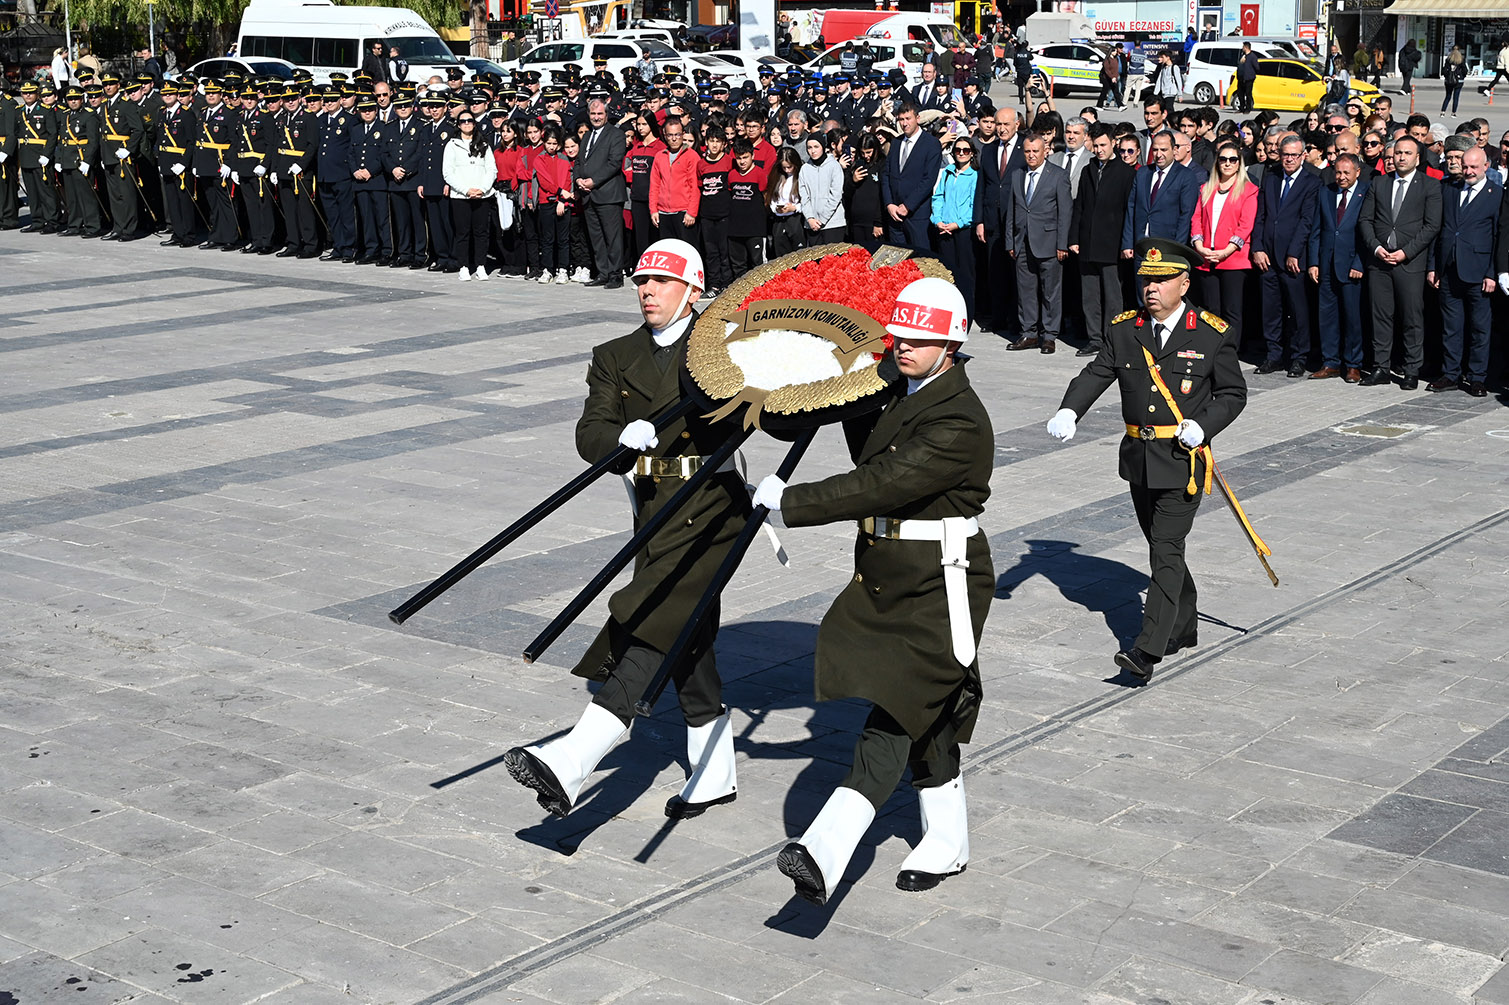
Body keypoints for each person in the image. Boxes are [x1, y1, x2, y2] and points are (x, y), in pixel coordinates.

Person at [753, 277, 994, 906]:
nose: (905, 347)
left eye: (920, 339)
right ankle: (947, 840)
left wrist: (793, 502)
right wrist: (798, 380)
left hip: (940, 581)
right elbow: (822, 419)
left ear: (952, 343)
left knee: (894, 707)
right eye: (900, 336)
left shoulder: (960, 419)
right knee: (924, 707)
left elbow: (882, 482)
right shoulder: (897, 386)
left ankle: (826, 848)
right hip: (888, 572)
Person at [505, 239, 751, 822]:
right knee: (683, 633)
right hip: (652, 509)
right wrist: (618, 441)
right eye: (642, 280)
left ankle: (576, 755)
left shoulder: (722, 350)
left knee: (648, 616)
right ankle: (714, 771)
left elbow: (775, 414)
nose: (647, 291)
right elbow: (590, 431)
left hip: (711, 504)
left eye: (662, 282)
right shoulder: (614, 354)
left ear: (693, 291)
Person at [1047, 238, 1247, 682]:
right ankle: (1184, 622)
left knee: (1166, 548)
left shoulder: (1210, 332)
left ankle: (1147, 649)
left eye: (1160, 280)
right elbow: (1098, 371)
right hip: (1139, 458)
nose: (1150, 288)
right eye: (1146, 280)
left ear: (1184, 282)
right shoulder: (1126, 329)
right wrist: (1070, 408)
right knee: (1163, 546)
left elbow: (1234, 393)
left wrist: (1205, 425)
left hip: (1183, 461)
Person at [1358, 135, 1441, 389]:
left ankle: (1411, 370)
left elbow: (1431, 226)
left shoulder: (1429, 185)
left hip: (1410, 262)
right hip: (1381, 262)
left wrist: (1406, 252)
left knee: (1411, 318)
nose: (1401, 157)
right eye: (1398, 153)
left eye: (1407, 153)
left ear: (1417, 157)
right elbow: (1365, 220)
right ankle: (1381, 367)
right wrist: (1376, 248)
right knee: (1380, 315)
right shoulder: (1379, 183)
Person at [1431, 146, 1499, 397]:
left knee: (1479, 328)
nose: (1468, 171)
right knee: (1451, 326)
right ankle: (1450, 373)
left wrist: (1492, 272)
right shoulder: (1449, 189)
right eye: (1465, 166)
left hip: (1479, 272)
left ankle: (1477, 376)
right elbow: (1439, 231)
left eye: (1474, 167)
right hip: (1449, 269)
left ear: (1485, 167)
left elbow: (1497, 237)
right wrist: (1433, 266)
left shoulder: (1496, 195)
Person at [1251, 133, 1320, 375]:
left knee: (1298, 310)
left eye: (1293, 155)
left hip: (1293, 258)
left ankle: (1299, 357)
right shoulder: (1271, 179)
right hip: (1267, 256)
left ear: (1303, 156)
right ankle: (1274, 355)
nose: (1289, 159)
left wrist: (1294, 253)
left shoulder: (1312, 183)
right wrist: (1257, 247)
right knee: (1271, 310)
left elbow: (1306, 220)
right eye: (1285, 155)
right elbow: (1260, 216)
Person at [1071, 122, 1136, 357]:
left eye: (1103, 145)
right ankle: (1094, 339)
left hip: (1112, 244)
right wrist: (1074, 238)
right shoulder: (1089, 169)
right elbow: (1080, 205)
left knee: (1112, 296)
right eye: (1095, 146)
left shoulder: (1126, 173)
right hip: (1087, 242)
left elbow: (1129, 211)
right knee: (1090, 296)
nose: (1099, 150)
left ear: (1113, 144)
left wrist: (1126, 243)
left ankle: (1113, 339)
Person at [1004, 133, 1072, 353]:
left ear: (1045, 151)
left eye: (1035, 151)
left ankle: (1049, 335)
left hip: (1049, 243)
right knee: (1025, 291)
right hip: (1022, 242)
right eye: (1027, 151)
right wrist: (1010, 242)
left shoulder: (1058, 175)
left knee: (1051, 291)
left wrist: (1062, 244)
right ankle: (1029, 333)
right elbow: (1012, 210)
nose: (1031, 155)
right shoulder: (1017, 175)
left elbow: (1065, 212)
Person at [1306, 152, 1369, 382]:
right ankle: (1330, 361)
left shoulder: (1366, 193)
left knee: (1353, 317)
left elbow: (1367, 234)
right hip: (1326, 264)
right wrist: (1313, 262)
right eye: (1338, 172)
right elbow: (1317, 230)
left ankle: (1353, 364)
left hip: (1352, 265)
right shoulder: (1326, 192)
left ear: (1357, 172)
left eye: (1346, 173)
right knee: (1327, 316)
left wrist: (1359, 262)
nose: (1341, 177)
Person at [575, 98, 628, 289]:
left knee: (612, 236)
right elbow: (580, 161)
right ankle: (603, 272)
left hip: (608, 194)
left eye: (600, 114)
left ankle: (615, 274)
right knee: (596, 236)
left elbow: (614, 163)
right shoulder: (587, 136)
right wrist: (578, 179)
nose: (596, 117)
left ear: (606, 115)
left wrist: (594, 181)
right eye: (593, 114)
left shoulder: (616, 135)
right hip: (588, 194)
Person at [443, 111, 499, 282]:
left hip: (482, 195)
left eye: (469, 121)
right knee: (463, 232)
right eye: (463, 121)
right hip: (461, 196)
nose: (466, 124)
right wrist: (466, 190)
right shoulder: (451, 145)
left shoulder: (483, 144)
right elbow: (448, 173)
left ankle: (481, 265)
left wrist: (481, 189)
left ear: (474, 124)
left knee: (481, 232)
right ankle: (464, 266)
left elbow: (491, 169)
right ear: (458, 125)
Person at [1122, 130, 1199, 254]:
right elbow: (1131, 207)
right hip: (1141, 245)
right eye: (1155, 150)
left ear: (1174, 150)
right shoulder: (1143, 173)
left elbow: (1186, 215)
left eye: (1163, 150)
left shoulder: (1186, 176)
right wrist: (1127, 243)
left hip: (1168, 246)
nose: (1158, 154)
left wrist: (1177, 248)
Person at [882, 104, 941, 252]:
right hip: (894, 214)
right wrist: (889, 204)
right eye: (901, 119)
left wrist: (908, 205)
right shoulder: (896, 142)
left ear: (917, 118)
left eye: (908, 118)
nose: (904, 123)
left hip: (917, 215)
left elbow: (928, 180)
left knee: (921, 258)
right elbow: (886, 175)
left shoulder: (931, 144)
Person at [932, 138, 978, 322]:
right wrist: (937, 220)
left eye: (966, 150)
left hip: (962, 230)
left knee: (966, 272)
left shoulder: (975, 175)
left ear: (972, 153)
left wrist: (959, 223)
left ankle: (967, 309)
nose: (961, 153)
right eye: (958, 150)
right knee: (947, 270)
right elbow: (938, 197)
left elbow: (973, 205)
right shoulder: (948, 172)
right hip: (944, 228)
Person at [649, 115, 699, 244]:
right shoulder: (660, 156)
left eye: (677, 134)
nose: (674, 138)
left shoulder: (692, 156)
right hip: (663, 213)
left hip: (683, 212)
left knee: (687, 250)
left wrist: (691, 212)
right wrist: (653, 210)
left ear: (683, 134)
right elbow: (655, 185)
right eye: (670, 135)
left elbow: (695, 186)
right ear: (665, 136)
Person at [799, 132, 844, 245]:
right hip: (812, 224)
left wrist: (822, 220)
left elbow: (836, 195)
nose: (813, 151)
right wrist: (810, 218)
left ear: (823, 147)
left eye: (816, 147)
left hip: (833, 224)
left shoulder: (834, 166)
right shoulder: (805, 169)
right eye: (809, 147)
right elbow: (804, 196)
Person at [766, 145, 803, 257]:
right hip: (779, 219)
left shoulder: (800, 177)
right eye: (784, 167)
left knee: (798, 254)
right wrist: (776, 209)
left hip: (795, 219)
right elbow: (771, 196)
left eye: (789, 167)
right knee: (781, 254)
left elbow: (807, 199)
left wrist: (795, 208)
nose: (787, 170)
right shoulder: (777, 176)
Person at [1234, 42, 1259, 115]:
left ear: (1246, 47)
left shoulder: (1252, 56)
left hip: (1248, 79)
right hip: (1241, 78)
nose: (1242, 48)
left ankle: (1248, 108)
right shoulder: (1243, 55)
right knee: (1240, 94)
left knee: (1248, 94)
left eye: (1243, 47)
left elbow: (1257, 67)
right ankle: (1241, 108)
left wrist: (1251, 73)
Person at [1442, 47, 1467, 115]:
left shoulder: (1448, 60)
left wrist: (1446, 76)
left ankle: (1443, 111)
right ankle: (1453, 112)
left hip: (1449, 81)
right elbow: (1465, 70)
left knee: (1448, 96)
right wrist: (1462, 76)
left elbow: (1444, 70)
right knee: (1456, 97)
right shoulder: (1461, 60)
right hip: (1459, 81)